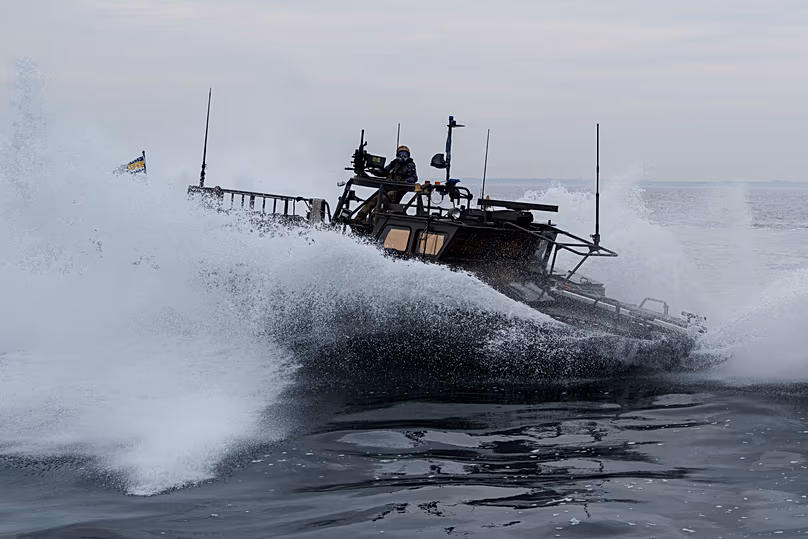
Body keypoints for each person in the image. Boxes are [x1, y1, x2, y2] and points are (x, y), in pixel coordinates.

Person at [352, 145, 418, 224]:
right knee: (373, 200)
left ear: (408, 156)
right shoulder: (394, 163)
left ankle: (372, 222)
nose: (403, 157)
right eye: (401, 155)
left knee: (382, 200)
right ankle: (357, 220)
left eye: (405, 155)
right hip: (387, 187)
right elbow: (385, 171)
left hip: (398, 190)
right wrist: (374, 171)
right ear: (398, 155)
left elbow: (414, 178)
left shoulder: (410, 165)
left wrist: (405, 182)